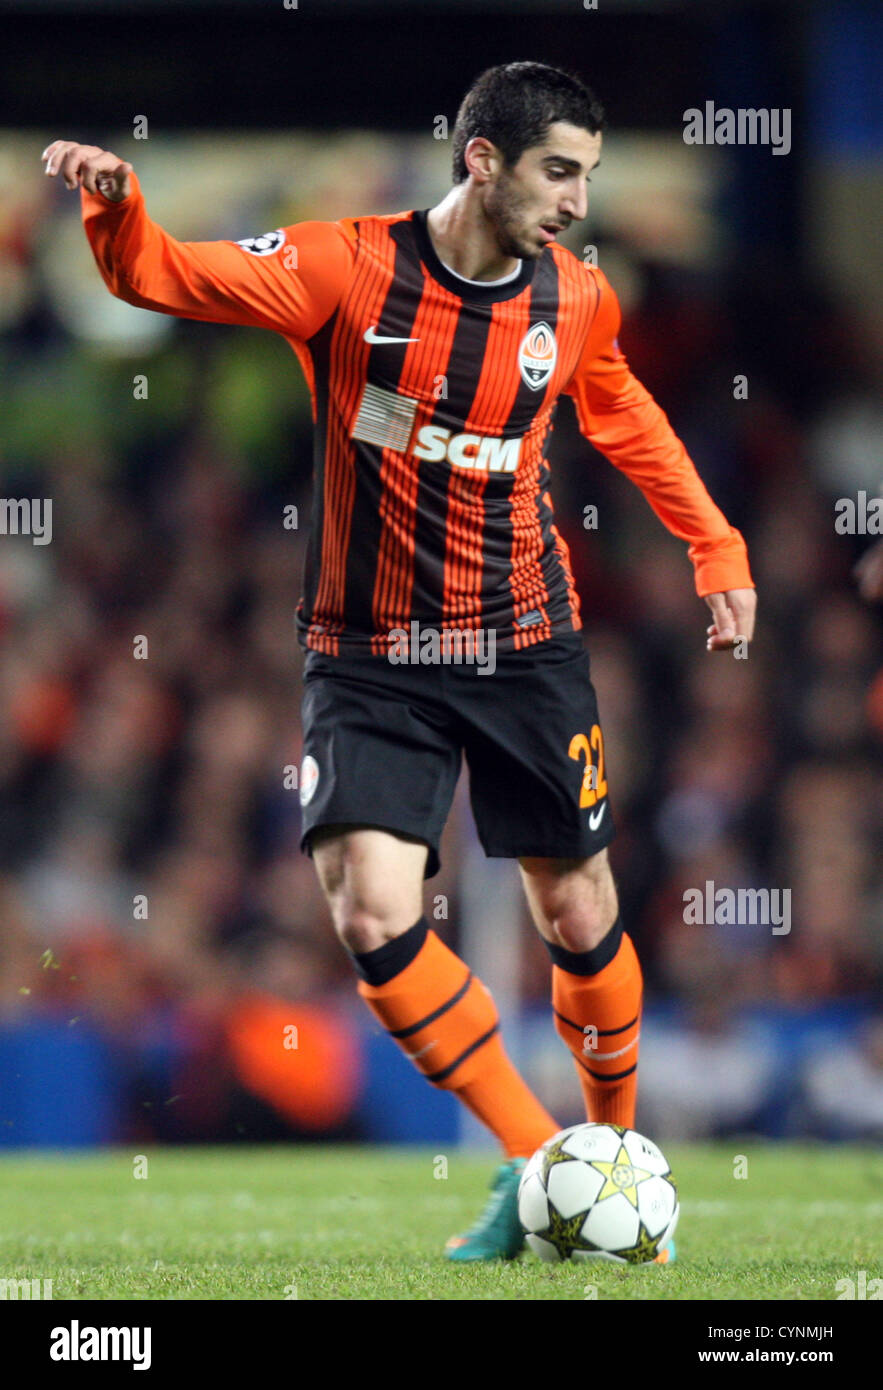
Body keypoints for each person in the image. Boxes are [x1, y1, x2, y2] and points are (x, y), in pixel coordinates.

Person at [42, 60, 756, 1263]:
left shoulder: (573, 300)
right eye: (559, 171)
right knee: (373, 914)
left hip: (524, 639)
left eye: (589, 173)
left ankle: (617, 1160)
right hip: (371, 657)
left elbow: (622, 411)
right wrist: (118, 206)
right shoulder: (342, 267)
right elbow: (158, 273)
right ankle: (543, 1166)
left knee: (577, 910)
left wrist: (715, 545)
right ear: (482, 159)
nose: (580, 201)